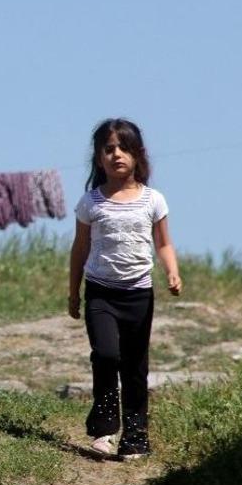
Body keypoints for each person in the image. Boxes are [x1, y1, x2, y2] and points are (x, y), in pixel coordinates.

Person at [68, 118, 183, 458]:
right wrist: (73, 292)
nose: (116, 154)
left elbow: (163, 243)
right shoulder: (91, 203)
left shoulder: (153, 200)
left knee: (134, 365)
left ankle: (135, 436)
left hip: (138, 295)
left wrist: (172, 272)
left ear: (138, 154)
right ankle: (104, 429)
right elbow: (80, 249)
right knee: (106, 355)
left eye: (124, 148)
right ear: (98, 157)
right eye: (109, 149)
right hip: (101, 292)